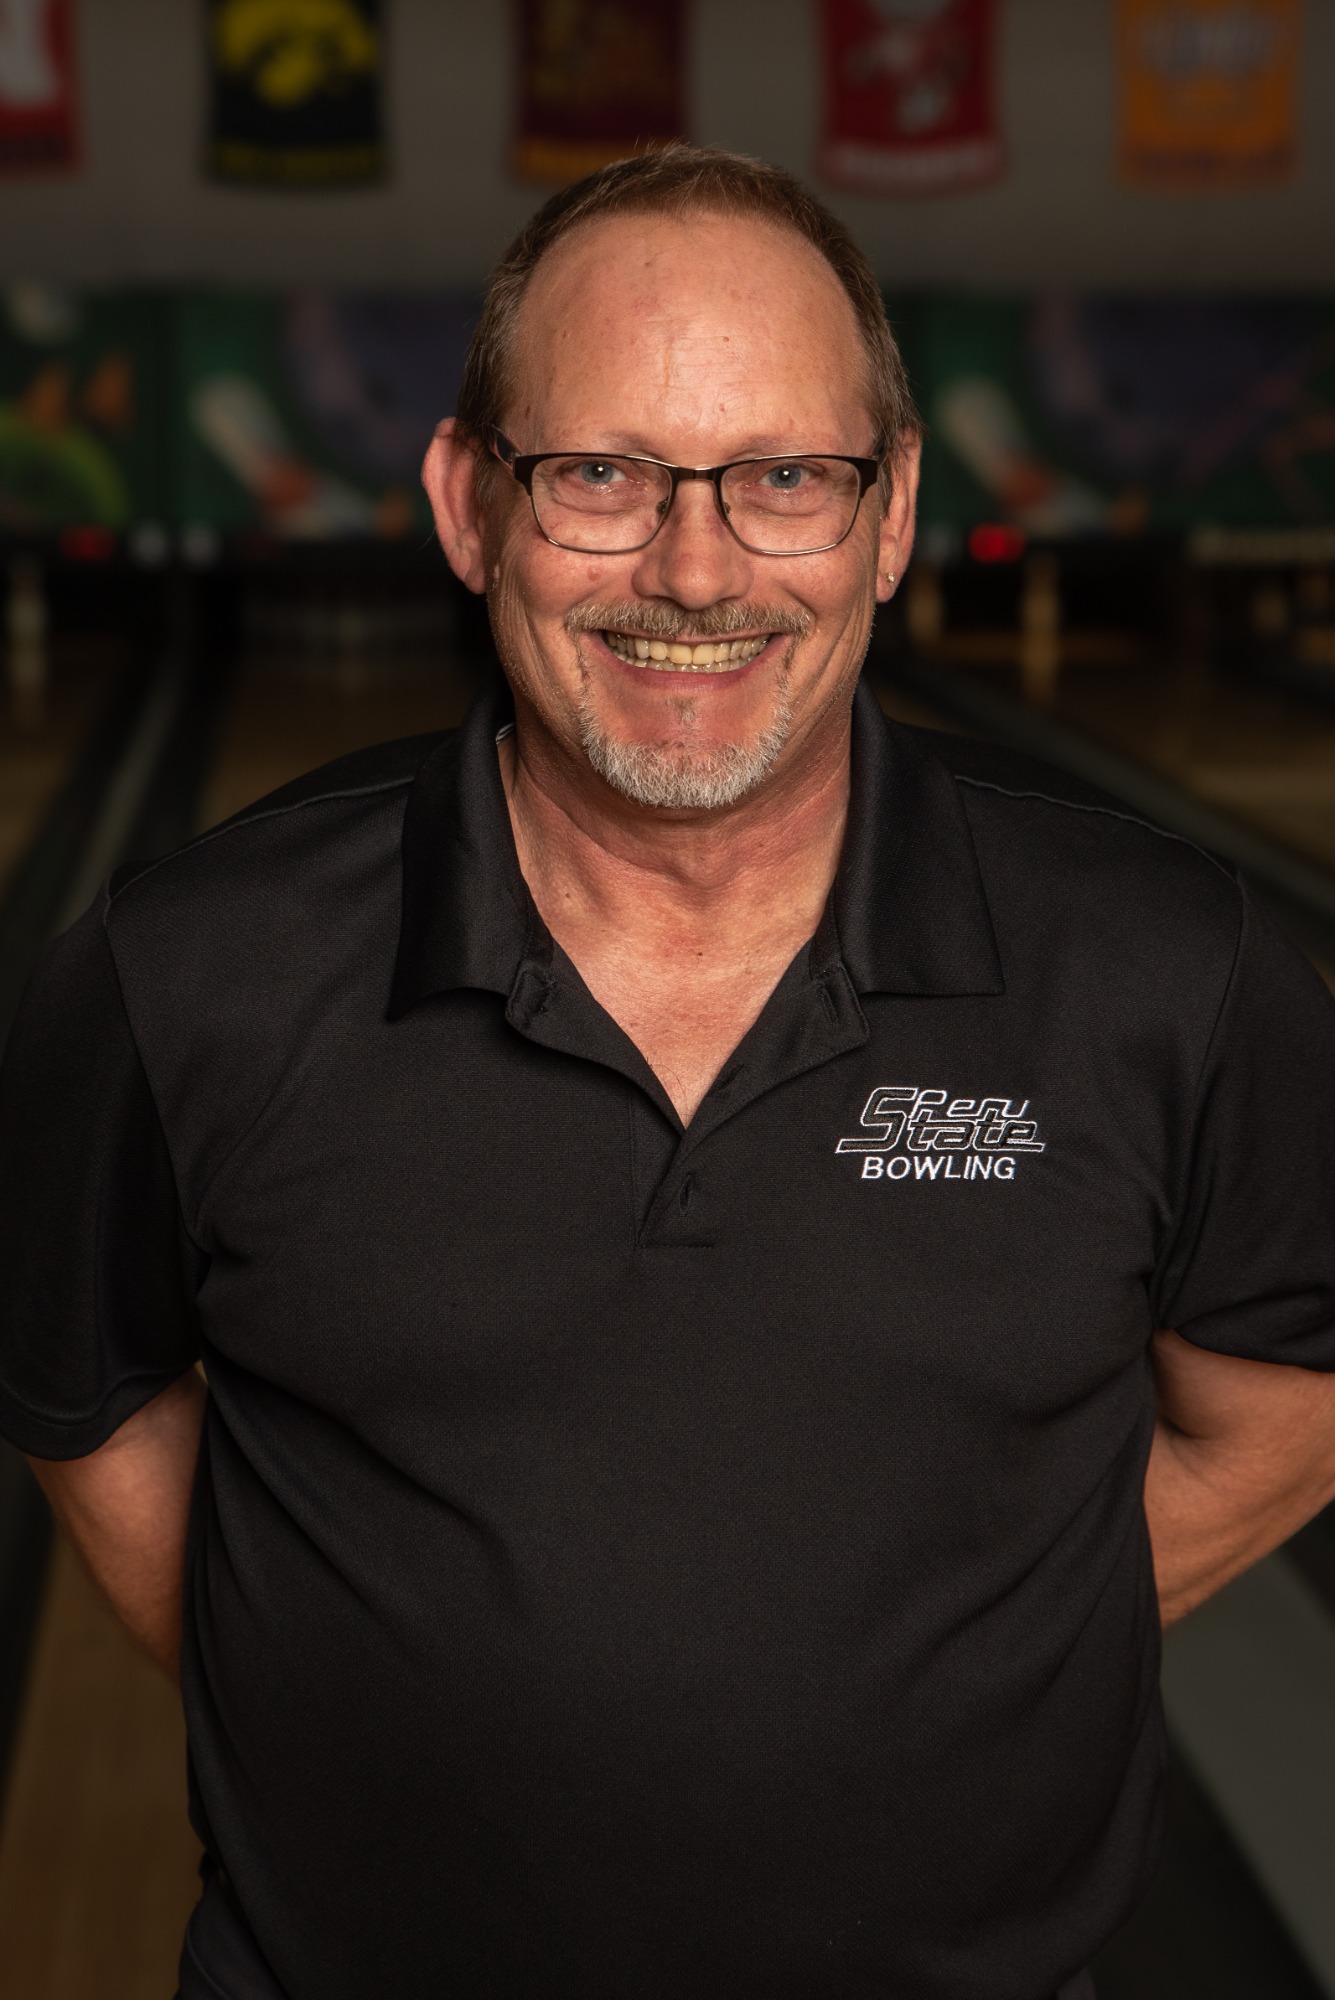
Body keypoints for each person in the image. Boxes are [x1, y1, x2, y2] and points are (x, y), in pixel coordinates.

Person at [3, 144, 1335, 2000]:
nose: (693, 566)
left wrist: (963, 1648)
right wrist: (334, 1677)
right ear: (469, 506)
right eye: (601, 476)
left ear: (893, 515)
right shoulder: (188, 968)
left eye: (787, 475)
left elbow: (1289, 1403)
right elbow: (84, 1398)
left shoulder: (1171, 965)